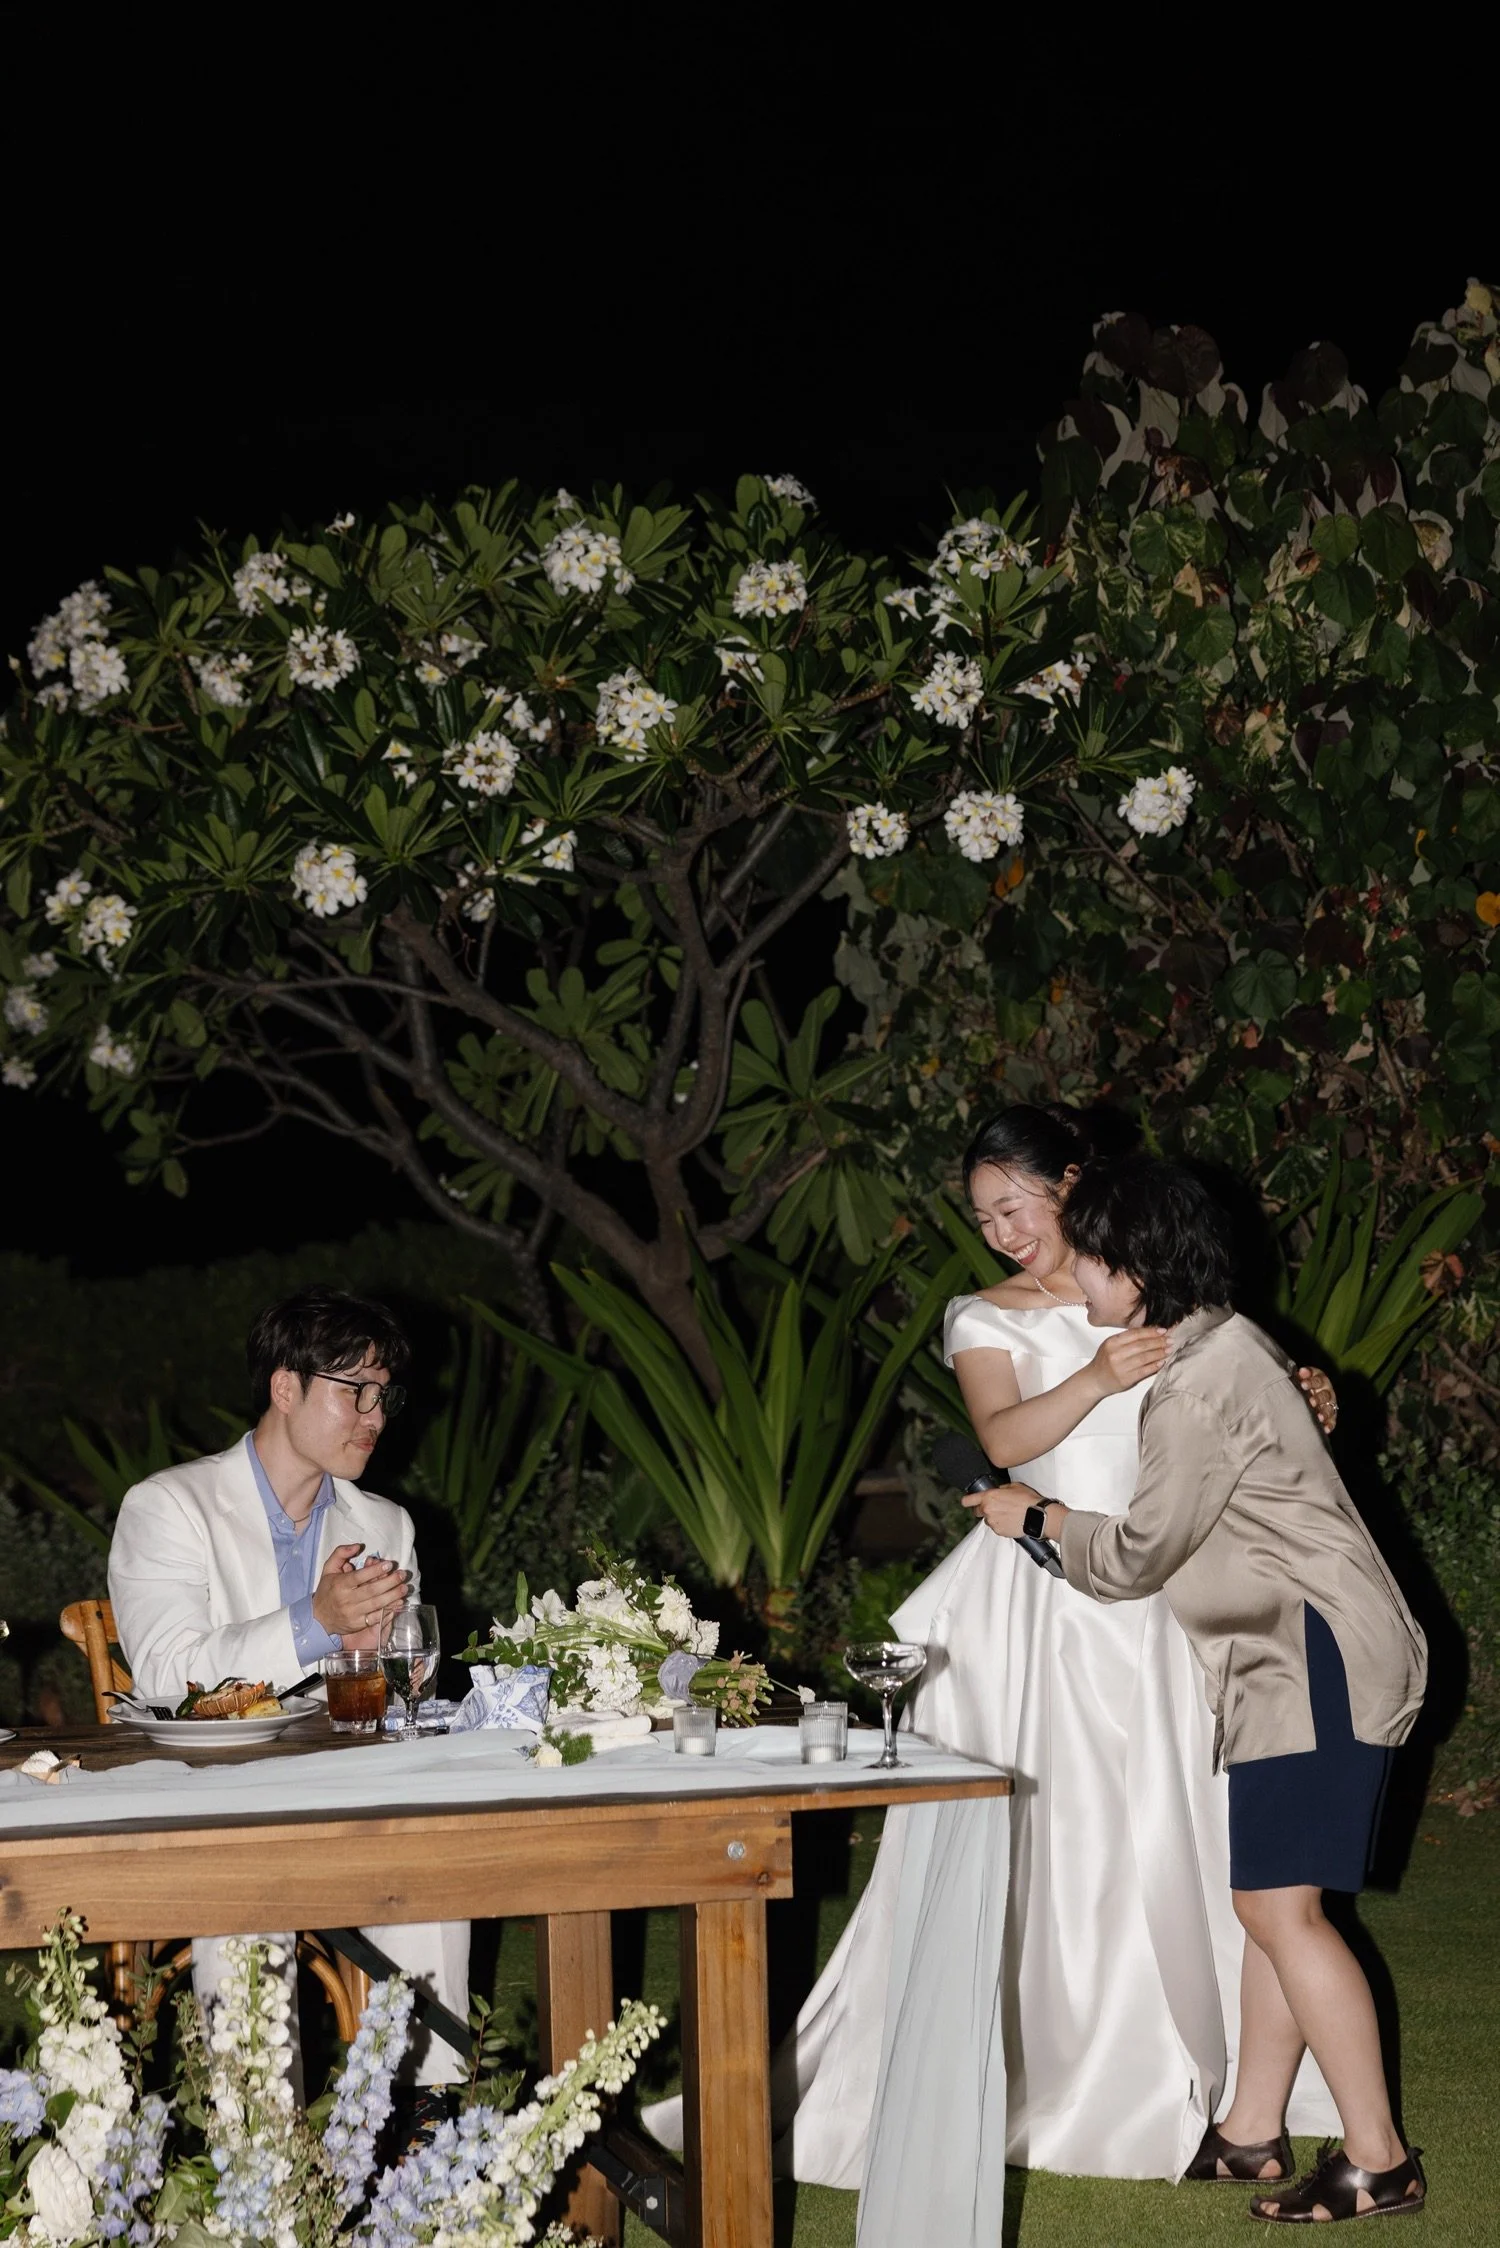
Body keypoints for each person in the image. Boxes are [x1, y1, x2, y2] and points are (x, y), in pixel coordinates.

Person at [750, 1104, 1340, 2197]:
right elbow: (1003, 1438)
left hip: (1171, 1583)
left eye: (1015, 1206)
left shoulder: (1154, 1281)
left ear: (1072, 1183)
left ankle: (1238, 2086)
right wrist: (1098, 1378)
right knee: (1061, 1831)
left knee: (1189, 1822)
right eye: (984, 1217)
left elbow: (1232, 1398)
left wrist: (1307, 1394)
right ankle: (1062, 2062)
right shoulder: (985, 1315)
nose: (1003, 1232)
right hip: (1048, 1592)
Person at [978, 1156, 1427, 2223]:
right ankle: (1250, 2132)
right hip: (1289, 1658)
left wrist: (1036, 1519)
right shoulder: (1219, 1342)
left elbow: (1138, 1556)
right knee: (1279, 1905)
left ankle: (1378, 2161)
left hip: (1311, 1657)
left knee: (1276, 1909)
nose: (1075, 1276)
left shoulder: (1197, 1382)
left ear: (1135, 1266)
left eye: (1090, 1258)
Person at [108, 1285, 469, 2099]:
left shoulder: (386, 1524)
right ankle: (260, 2149)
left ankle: (428, 2127)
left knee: (432, 1861)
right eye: (355, 1392)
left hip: (348, 1802)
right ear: (285, 1387)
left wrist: (379, 1664)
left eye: (384, 1396)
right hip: (213, 1809)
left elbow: (405, 1693)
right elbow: (166, 1675)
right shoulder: (169, 1507)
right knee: (250, 1900)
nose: (376, 1417)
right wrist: (316, 1622)